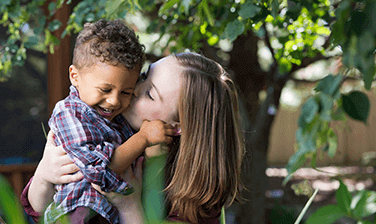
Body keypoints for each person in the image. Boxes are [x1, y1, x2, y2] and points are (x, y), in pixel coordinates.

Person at [21, 52, 245, 224]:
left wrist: (129, 206)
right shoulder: (99, 124)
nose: (135, 88)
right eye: (144, 76)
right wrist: (44, 173)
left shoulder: (196, 192)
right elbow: (38, 211)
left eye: (150, 93)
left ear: (177, 126)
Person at [38, 19, 175, 224]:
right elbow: (101, 170)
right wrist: (144, 138)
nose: (114, 101)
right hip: (78, 216)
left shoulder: (116, 120)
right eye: (105, 89)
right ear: (75, 76)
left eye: (126, 92)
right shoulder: (69, 113)